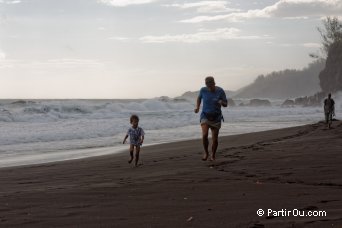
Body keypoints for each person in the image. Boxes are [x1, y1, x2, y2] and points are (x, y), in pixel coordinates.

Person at [194, 76, 228, 161]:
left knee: (215, 138)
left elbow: (226, 104)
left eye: (211, 86)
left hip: (216, 117)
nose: (209, 88)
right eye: (208, 86)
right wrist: (197, 107)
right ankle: (206, 153)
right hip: (205, 116)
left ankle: (213, 154)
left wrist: (222, 102)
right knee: (205, 135)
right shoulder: (203, 90)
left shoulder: (220, 91)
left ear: (214, 83)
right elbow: (199, 98)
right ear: (206, 85)